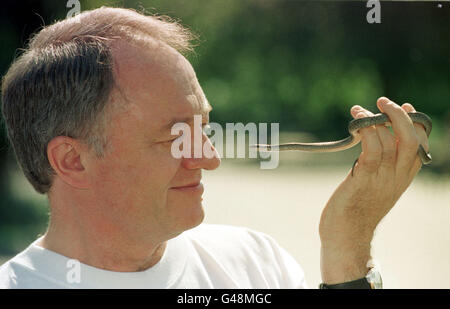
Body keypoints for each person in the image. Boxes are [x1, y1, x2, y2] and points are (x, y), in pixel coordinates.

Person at [0, 7, 429, 289]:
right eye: (174, 136)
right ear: (73, 160)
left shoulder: (255, 264)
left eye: (202, 127)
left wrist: (348, 244)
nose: (209, 157)